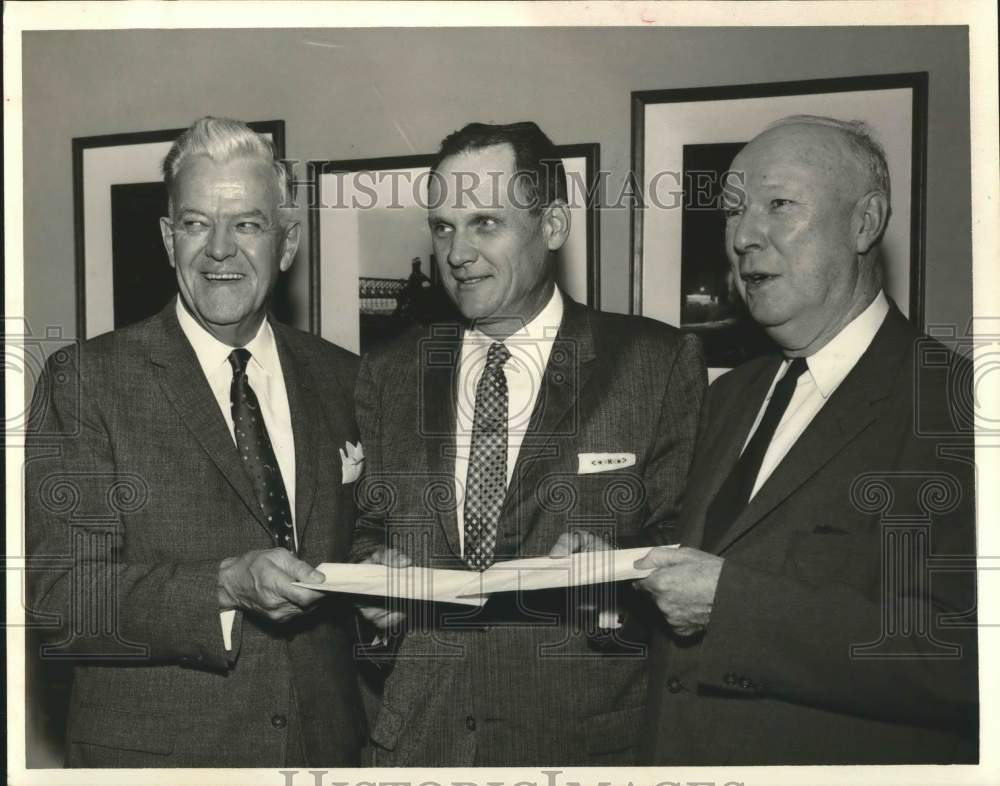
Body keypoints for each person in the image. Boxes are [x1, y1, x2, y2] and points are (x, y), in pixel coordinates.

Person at [351, 121, 706, 766]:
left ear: (553, 226)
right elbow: (365, 530)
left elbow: (687, 549)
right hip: (417, 744)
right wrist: (372, 590)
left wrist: (615, 580)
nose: (457, 253)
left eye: (485, 222)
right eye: (442, 226)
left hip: (581, 746)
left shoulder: (653, 364)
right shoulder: (389, 372)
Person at [636, 115, 978, 764]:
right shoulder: (727, 395)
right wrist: (607, 563)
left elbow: (964, 658)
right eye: (733, 213)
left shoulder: (960, 408)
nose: (743, 236)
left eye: (779, 205)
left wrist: (733, 606)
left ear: (864, 223)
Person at [25, 117, 366, 767]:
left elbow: (364, 541)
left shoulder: (343, 378)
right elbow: (62, 600)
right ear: (167, 238)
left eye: (247, 224)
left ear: (286, 244)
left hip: (326, 752)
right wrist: (222, 585)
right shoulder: (86, 381)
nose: (219, 250)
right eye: (195, 223)